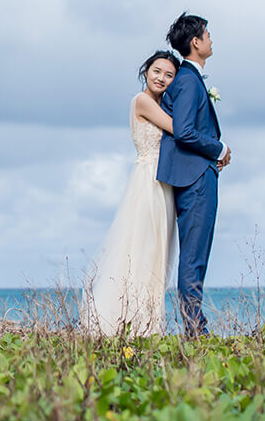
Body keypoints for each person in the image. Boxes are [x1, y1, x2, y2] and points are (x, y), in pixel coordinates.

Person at [81, 50, 182, 336]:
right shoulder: (142, 101)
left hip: (163, 183)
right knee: (140, 249)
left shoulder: (161, 103)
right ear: (145, 71)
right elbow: (177, 130)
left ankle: (147, 323)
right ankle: (126, 320)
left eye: (169, 75)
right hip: (147, 181)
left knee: (156, 253)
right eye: (156, 71)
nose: (161, 78)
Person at [156, 12, 231, 337]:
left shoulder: (188, 80)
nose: (212, 39)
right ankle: (194, 331)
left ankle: (193, 327)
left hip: (195, 176)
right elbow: (184, 132)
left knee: (194, 255)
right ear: (196, 42)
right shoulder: (187, 80)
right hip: (197, 180)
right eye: (208, 35)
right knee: (194, 257)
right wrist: (218, 148)